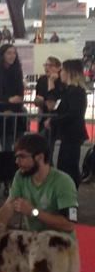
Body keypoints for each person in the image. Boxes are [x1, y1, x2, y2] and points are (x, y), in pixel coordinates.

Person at [0, 132, 78, 243]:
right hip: (34, 241)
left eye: (22, 157)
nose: (16, 161)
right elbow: (8, 207)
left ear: (39, 157)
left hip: (60, 244)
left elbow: (69, 224)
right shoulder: (20, 176)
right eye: (17, 157)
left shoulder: (63, 182)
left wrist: (33, 212)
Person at [50, 59, 88, 188]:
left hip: (73, 134)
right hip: (68, 134)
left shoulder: (77, 92)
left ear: (70, 72)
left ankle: (70, 192)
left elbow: (73, 114)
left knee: (68, 166)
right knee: (64, 165)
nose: (60, 73)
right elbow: (55, 103)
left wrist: (54, 121)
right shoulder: (69, 90)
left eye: (63, 70)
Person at [0, 42, 26, 152]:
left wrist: (13, 106)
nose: (12, 56)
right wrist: (8, 100)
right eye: (9, 53)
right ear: (2, 55)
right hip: (1, 114)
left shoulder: (17, 71)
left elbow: (20, 94)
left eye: (14, 53)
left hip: (17, 114)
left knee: (20, 148)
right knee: (6, 149)